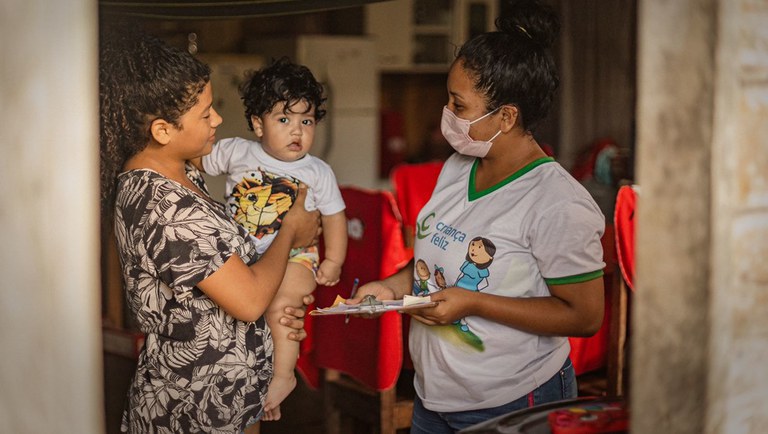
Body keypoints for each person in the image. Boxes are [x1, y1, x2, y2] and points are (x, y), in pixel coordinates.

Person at [348, 1, 606, 432]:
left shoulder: (556, 201)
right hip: (437, 395)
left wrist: (474, 302)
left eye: (459, 105)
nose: (446, 115)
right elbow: (433, 263)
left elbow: (585, 316)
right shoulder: (456, 168)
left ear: (506, 117)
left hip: (511, 398)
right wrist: (388, 287)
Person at [99, 26, 321, 433]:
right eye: (205, 113)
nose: (218, 117)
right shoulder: (165, 207)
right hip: (194, 408)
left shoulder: (181, 174)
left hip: (227, 399)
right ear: (162, 130)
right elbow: (249, 300)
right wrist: (291, 231)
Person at [192, 57, 347, 420]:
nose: (297, 131)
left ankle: (283, 376)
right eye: (284, 119)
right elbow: (194, 160)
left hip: (297, 257)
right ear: (257, 125)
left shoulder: (318, 171)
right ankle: (255, 384)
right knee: (243, 315)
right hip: (244, 258)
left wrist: (333, 260)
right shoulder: (236, 152)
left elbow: (335, 218)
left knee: (283, 305)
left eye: (306, 121)